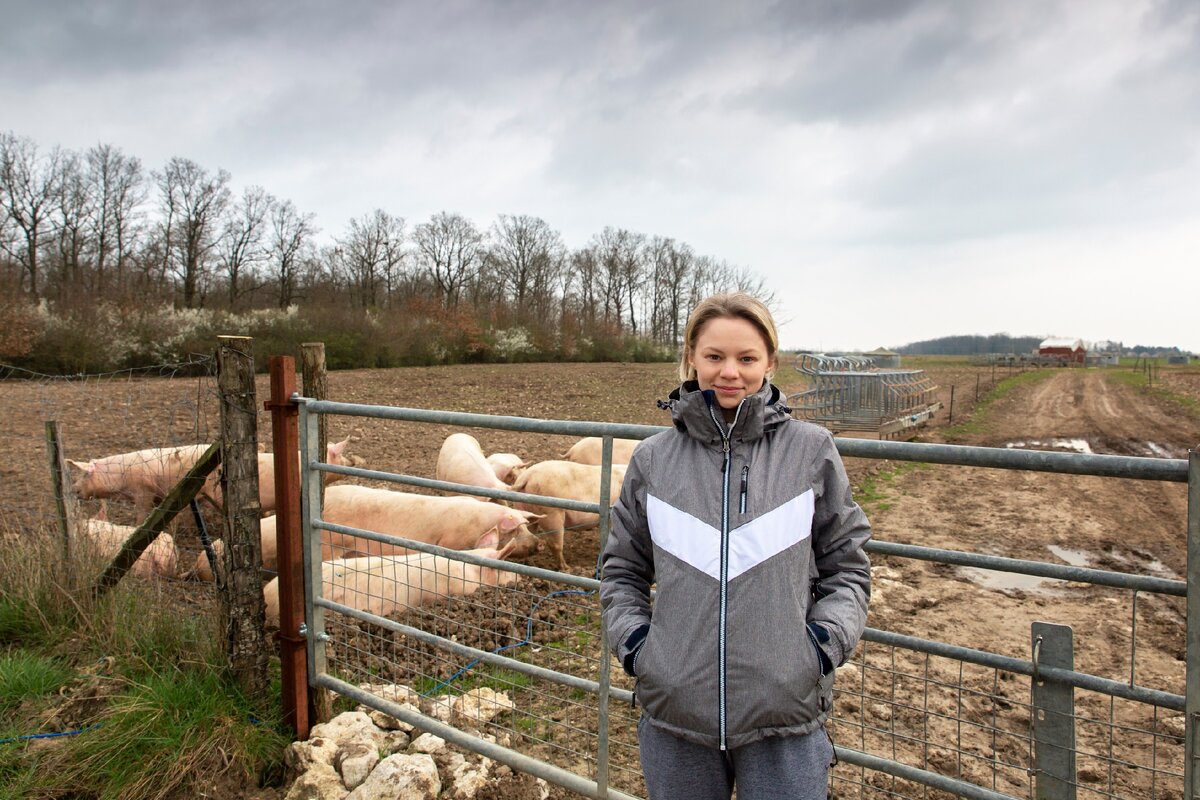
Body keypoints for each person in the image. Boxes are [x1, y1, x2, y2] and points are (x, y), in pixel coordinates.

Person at [600, 292, 871, 800]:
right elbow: (621, 570)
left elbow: (848, 566)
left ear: (769, 361)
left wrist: (818, 649)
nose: (730, 372)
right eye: (714, 356)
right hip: (676, 717)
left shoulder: (811, 451)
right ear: (691, 359)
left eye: (746, 358)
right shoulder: (654, 461)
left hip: (783, 714)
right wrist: (639, 649)